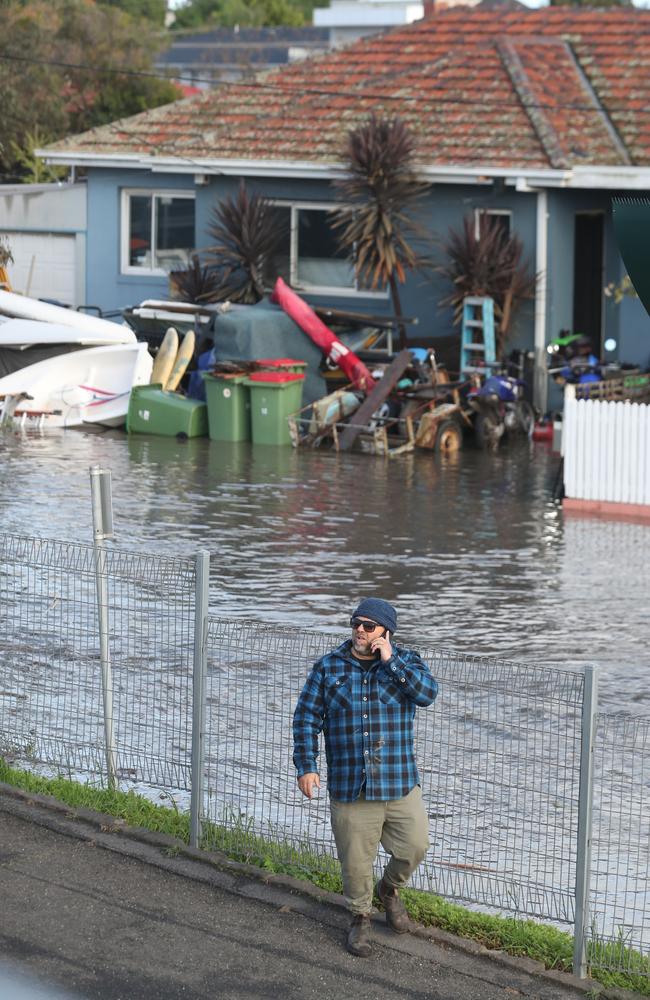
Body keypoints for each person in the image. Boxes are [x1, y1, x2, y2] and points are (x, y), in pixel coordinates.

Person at [292, 598, 438, 958]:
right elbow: (306, 719)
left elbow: (427, 694)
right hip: (350, 785)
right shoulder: (328, 668)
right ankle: (360, 917)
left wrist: (392, 662)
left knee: (414, 847)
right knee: (356, 863)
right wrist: (306, 766)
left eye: (369, 625)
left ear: (386, 632)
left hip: (399, 780)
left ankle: (388, 891)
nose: (360, 629)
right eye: (356, 623)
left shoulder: (407, 664)